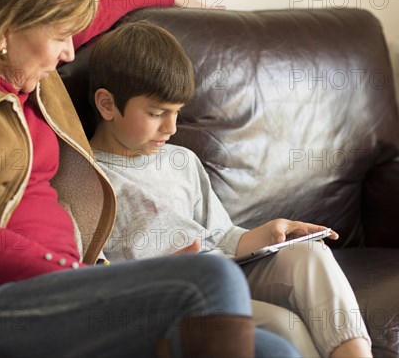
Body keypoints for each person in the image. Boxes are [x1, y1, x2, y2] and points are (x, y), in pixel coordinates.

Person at [0, 0, 301, 357]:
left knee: (274, 350)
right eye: (60, 36)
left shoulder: (20, 58)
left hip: (59, 286)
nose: (70, 52)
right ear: (7, 27)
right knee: (209, 279)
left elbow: (109, 2)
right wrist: (82, 275)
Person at [88, 20, 374, 358]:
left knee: (310, 254)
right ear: (107, 105)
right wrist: (163, 272)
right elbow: (93, 280)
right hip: (174, 295)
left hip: (225, 267)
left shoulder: (182, 161)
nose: (171, 127)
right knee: (284, 325)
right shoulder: (89, 178)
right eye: (156, 113)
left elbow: (222, 237)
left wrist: (267, 234)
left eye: (177, 113)